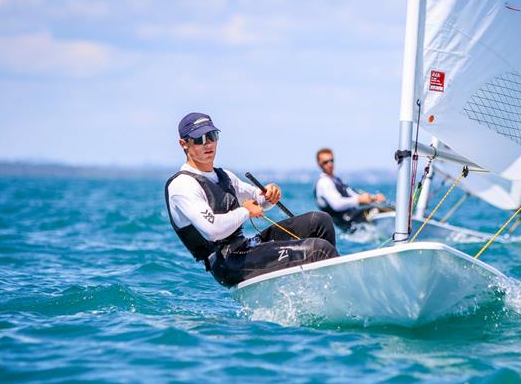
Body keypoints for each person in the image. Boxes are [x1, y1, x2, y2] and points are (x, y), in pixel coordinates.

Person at [165, 112, 338, 287]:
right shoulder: (183, 185)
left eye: (212, 135)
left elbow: (260, 201)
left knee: (320, 221)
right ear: (183, 144)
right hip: (226, 264)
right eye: (199, 139)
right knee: (319, 250)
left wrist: (270, 193)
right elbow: (212, 230)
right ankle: (338, 293)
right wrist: (246, 211)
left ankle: (322, 288)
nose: (208, 143)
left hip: (245, 248)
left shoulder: (224, 176)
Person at [313, 147, 389, 231]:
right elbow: (337, 204)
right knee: (377, 210)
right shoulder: (324, 182)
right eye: (325, 162)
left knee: (384, 207)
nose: (330, 164)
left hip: (353, 217)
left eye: (332, 161)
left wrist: (373, 198)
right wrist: (359, 200)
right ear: (319, 164)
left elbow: (353, 195)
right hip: (346, 223)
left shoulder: (336, 180)